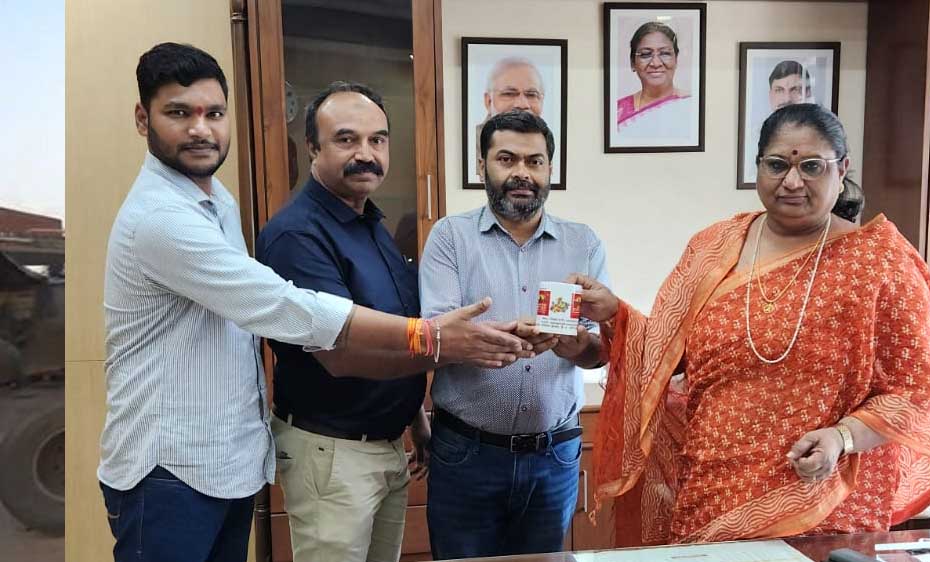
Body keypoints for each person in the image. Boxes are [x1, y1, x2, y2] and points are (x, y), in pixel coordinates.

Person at [99, 43, 529, 562]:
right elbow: (290, 311)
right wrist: (433, 339)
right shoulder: (166, 219)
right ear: (143, 119)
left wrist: (414, 406)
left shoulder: (221, 203)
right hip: (170, 468)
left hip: (227, 461)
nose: (200, 129)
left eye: (213, 113)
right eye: (178, 113)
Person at [572, 103, 930, 546]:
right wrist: (614, 314)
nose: (792, 181)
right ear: (758, 167)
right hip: (712, 488)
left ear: (842, 169)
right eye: (777, 165)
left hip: (821, 499)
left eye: (812, 166)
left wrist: (842, 438)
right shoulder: (714, 247)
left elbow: (917, 390)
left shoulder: (881, 261)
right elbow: (666, 353)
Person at [257, 81, 439, 562]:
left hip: (386, 446)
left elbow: (393, 328)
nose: (366, 154)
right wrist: (444, 345)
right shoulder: (297, 235)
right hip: (333, 453)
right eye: (346, 139)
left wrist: (416, 416)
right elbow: (341, 354)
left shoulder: (369, 224)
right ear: (312, 148)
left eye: (377, 140)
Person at [420, 110, 611, 559]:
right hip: (467, 455)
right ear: (481, 166)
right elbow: (435, 339)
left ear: (550, 169)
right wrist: (505, 337)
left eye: (534, 161)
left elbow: (601, 349)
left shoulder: (583, 244)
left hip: (554, 456)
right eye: (506, 159)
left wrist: (578, 346)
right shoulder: (449, 237)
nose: (522, 173)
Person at [616, 22, 693, 137]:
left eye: (665, 53)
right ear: (632, 63)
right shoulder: (617, 111)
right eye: (645, 54)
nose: (656, 63)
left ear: (676, 60)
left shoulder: (691, 105)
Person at [473, 57, 546, 177]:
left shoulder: (548, 144)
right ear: (488, 101)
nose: (522, 104)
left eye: (531, 94)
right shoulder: (471, 146)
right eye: (509, 94)